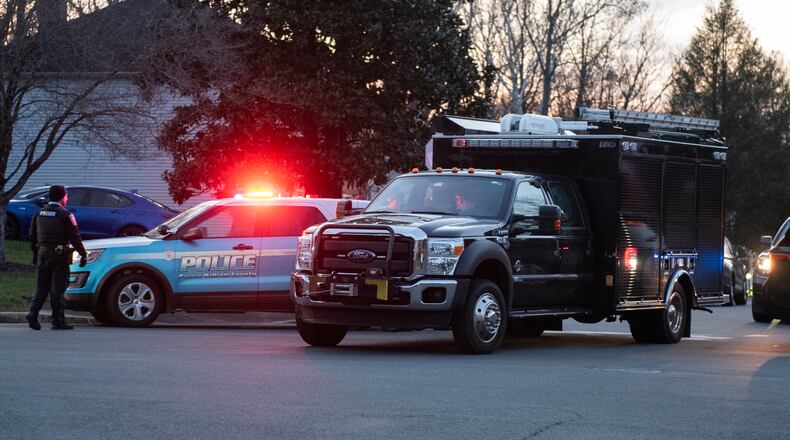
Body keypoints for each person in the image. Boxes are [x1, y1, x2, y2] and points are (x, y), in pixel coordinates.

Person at [25, 185, 87, 331]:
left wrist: (35, 255)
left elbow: (32, 237)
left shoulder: (39, 213)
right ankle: (57, 321)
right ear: (61, 197)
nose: (67, 198)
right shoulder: (65, 215)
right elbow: (75, 237)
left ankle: (33, 313)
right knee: (58, 289)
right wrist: (83, 254)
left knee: (42, 287)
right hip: (59, 256)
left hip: (42, 254)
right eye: (66, 195)